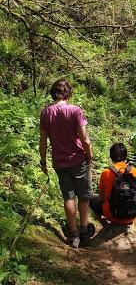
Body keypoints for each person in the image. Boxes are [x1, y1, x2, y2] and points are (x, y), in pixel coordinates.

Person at [39, 79, 94, 248]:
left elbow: (43, 141)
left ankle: (74, 234)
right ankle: (84, 231)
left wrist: (43, 161)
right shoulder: (75, 111)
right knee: (84, 196)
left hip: (59, 161)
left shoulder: (45, 112)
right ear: (68, 93)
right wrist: (89, 155)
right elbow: (85, 139)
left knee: (68, 196)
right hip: (79, 159)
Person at [90, 143, 136, 232]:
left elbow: (101, 198)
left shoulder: (106, 172)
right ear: (126, 156)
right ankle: (125, 225)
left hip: (112, 215)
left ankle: (106, 226)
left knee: (90, 200)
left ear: (111, 157)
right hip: (132, 215)